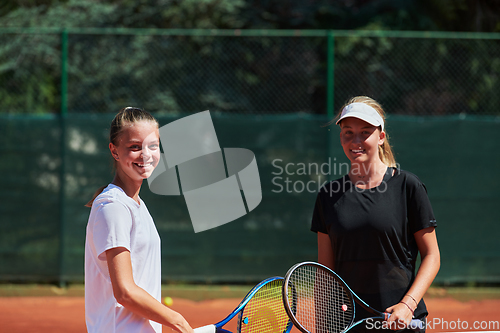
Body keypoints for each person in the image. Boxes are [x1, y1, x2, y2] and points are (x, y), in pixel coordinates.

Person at [311, 96, 440, 332]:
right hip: (346, 322)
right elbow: (325, 272)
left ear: (380, 137)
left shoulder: (408, 186)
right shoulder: (328, 195)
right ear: (341, 137)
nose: (356, 140)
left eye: (365, 132)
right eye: (348, 132)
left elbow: (432, 255)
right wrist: (323, 325)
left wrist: (407, 305)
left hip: (401, 321)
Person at [84, 107, 194, 333]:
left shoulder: (137, 205)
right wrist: (179, 322)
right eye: (134, 147)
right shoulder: (113, 206)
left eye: (152, 146)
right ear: (114, 151)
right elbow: (124, 291)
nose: (145, 154)